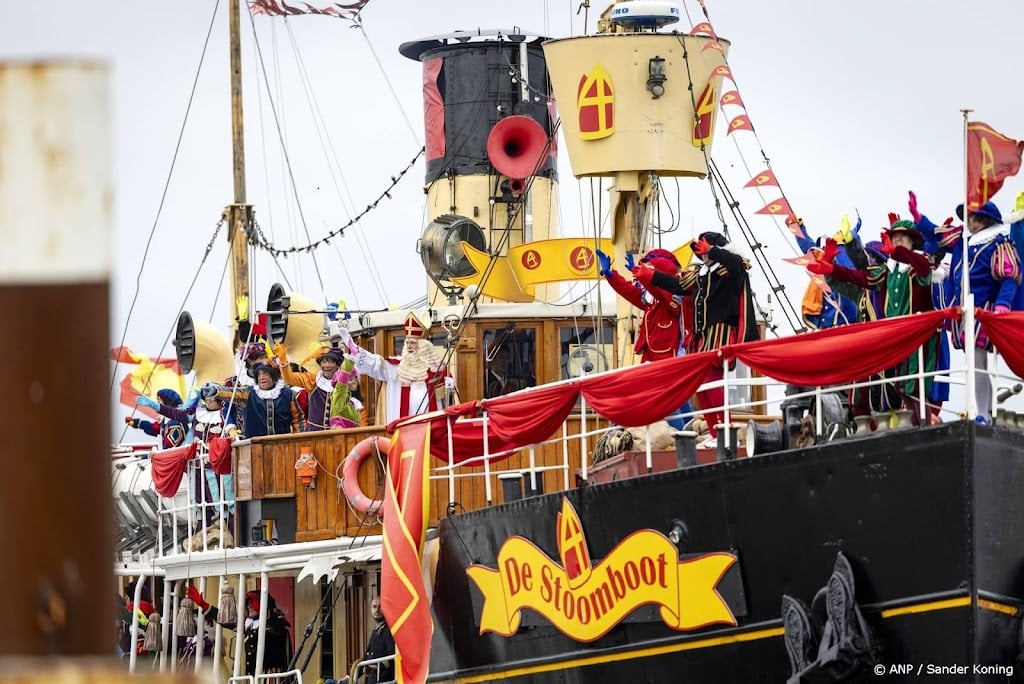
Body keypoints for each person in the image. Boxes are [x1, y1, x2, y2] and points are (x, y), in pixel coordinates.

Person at [809, 215, 943, 423]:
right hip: (890, 340)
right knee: (890, 388)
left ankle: (921, 425)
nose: (897, 241)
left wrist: (896, 251)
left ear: (912, 242)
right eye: (894, 237)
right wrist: (831, 268)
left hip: (917, 338)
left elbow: (925, 269)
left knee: (913, 386)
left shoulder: (920, 266)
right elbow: (859, 276)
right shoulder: (884, 274)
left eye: (902, 237)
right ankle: (894, 425)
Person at [638, 231, 758, 447]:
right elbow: (678, 286)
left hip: (721, 334)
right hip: (702, 337)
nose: (701, 253)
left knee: (711, 383)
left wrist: (713, 251)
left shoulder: (731, 269)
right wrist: (647, 275)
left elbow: (734, 262)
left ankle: (726, 433)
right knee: (701, 386)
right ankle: (715, 432)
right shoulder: (702, 273)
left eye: (704, 247)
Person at [931, 200, 1022, 423]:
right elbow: (938, 236)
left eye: (972, 217)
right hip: (966, 313)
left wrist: (1003, 304)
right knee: (976, 362)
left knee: (977, 361)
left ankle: (982, 413)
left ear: (984, 219)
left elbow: (1010, 276)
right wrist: (918, 217)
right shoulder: (966, 244)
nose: (968, 222)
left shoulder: (998, 243)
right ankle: (985, 412)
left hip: (985, 313)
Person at [341, 311, 452, 424]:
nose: (409, 346)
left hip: (432, 430)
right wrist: (355, 349)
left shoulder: (438, 370)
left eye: (413, 343)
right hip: (402, 431)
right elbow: (375, 364)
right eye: (407, 342)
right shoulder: (394, 367)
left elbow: (451, 402)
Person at [595, 247, 686, 362]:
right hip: (650, 354)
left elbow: (658, 289)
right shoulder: (649, 296)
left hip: (668, 355)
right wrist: (611, 275)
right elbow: (629, 291)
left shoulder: (672, 293)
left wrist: (642, 275)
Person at [274, 343, 343, 431]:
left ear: (337, 364)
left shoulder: (345, 382)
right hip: (315, 434)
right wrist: (283, 360)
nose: (327, 366)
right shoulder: (312, 380)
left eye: (331, 362)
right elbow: (289, 378)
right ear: (320, 364)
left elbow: (358, 408)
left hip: (340, 434)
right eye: (324, 362)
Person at [243, 363, 306, 437]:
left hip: (281, 444)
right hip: (256, 445)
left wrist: (300, 439)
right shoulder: (248, 393)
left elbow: (297, 420)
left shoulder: (287, 394)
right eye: (259, 375)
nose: (261, 378)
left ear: (273, 376)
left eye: (265, 374)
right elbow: (228, 393)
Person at [243, 590, 293, 676]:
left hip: (270, 677)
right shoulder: (250, 625)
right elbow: (229, 622)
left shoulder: (275, 624)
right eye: (248, 603)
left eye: (253, 603)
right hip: (253, 676)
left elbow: (277, 630)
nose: (249, 606)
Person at [361, 596, 394, 684]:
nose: (377, 610)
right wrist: (350, 675)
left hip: (384, 679)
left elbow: (393, 655)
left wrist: (377, 667)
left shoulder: (389, 630)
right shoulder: (375, 631)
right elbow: (366, 657)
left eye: (380, 606)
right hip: (372, 679)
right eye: (374, 607)